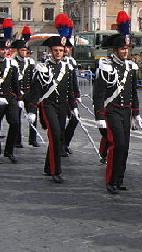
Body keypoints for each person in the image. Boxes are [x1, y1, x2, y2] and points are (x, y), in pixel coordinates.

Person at [24, 14, 79, 183]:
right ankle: (56, 171)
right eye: (55, 50)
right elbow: (36, 90)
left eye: (61, 50)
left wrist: (73, 106)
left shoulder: (68, 68)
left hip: (62, 106)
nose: (58, 53)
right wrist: (32, 109)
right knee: (55, 134)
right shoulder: (42, 68)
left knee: (58, 135)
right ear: (50, 51)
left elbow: (70, 89)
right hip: (48, 105)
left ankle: (48, 166)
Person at [93, 11, 141, 194]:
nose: (125, 52)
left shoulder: (130, 67)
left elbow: (133, 92)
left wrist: (136, 114)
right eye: (122, 49)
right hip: (111, 110)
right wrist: (99, 116)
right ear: (115, 50)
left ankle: (120, 179)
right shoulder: (106, 66)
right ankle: (110, 180)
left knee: (126, 147)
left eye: (127, 49)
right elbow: (99, 94)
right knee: (117, 145)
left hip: (125, 111)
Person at [12, 25, 39, 148]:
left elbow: (34, 78)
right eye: (22, 50)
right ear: (18, 51)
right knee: (16, 119)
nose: (24, 52)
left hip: (28, 93)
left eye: (25, 50)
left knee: (33, 116)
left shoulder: (30, 62)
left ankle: (32, 139)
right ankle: (17, 140)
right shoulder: (13, 63)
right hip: (17, 94)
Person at [0, 18, 20, 163]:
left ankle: (9, 151)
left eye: (7, 49)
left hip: (9, 97)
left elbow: (15, 83)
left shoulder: (12, 64)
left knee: (15, 123)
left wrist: (19, 99)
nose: (5, 51)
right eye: (2, 49)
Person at [63, 28, 81, 156]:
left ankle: (65, 143)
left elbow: (74, 80)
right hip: (57, 97)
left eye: (68, 48)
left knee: (75, 119)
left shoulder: (71, 62)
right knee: (59, 123)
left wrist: (77, 95)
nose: (66, 50)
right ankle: (59, 146)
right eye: (65, 47)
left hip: (69, 97)